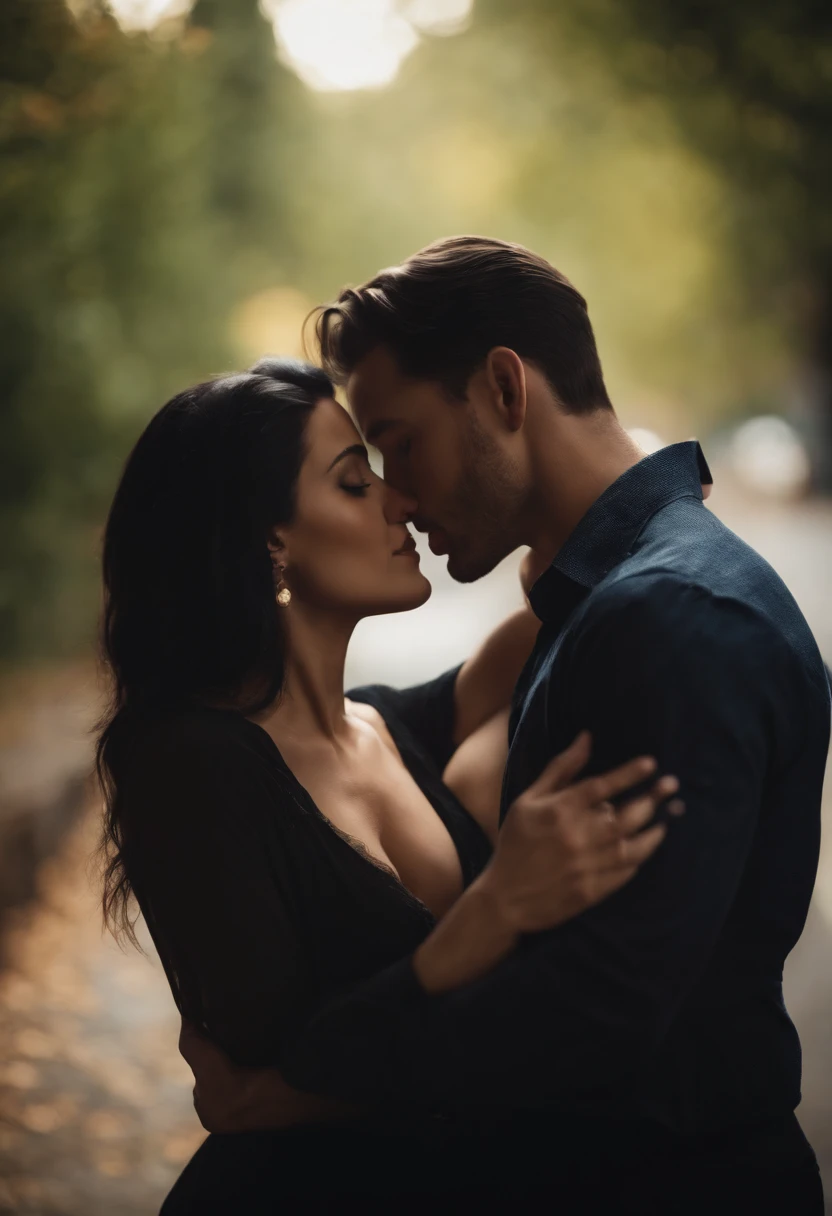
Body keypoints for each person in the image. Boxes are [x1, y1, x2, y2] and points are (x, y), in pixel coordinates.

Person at [186, 238, 830, 1214]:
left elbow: (593, 1010)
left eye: (400, 442)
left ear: (501, 389)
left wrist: (298, 1083)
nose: (397, 493)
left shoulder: (669, 616)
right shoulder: (610, 597)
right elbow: (404, 726)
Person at [95, 358, 677, 1212]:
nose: (398, 501)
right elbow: (280, 1061)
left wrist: (549, 473)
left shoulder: (378, 726)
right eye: (354, 482)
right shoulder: (190, 766)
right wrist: (496, 910)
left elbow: (578, 586)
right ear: (269, 538)